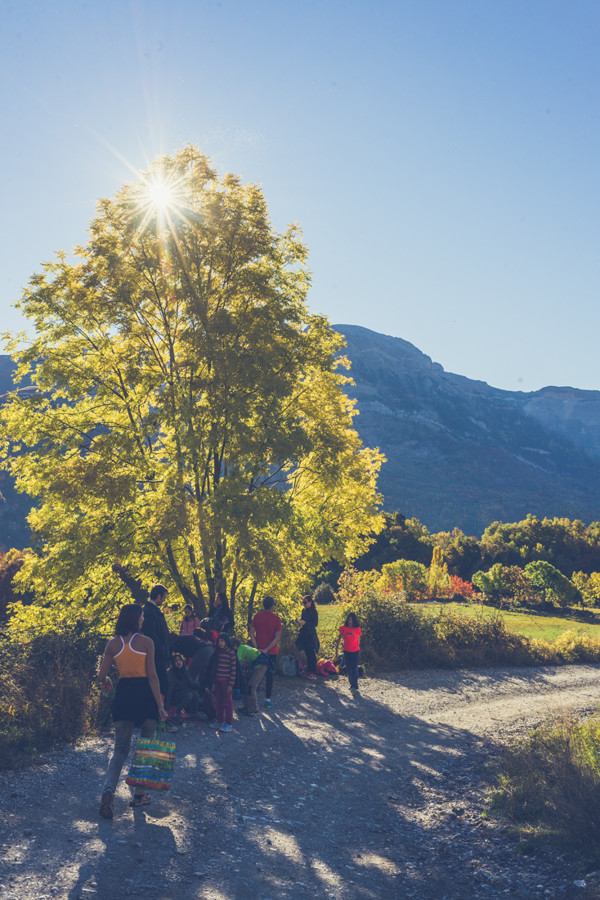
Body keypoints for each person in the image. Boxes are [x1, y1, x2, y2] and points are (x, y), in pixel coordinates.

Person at [97, 603, 167, 819]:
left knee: (120, 750)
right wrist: (160, 706)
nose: (144, 619)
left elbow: (102, 676)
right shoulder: (146, 642)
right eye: (142, 616)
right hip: (145, 695)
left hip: (124, 694)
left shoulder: (112, 644)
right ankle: (140, 796)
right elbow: (153, 676)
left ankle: (109, 790)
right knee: (146, 747)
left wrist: (107, 680)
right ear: (137, 618)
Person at [250, 596, 282, 709]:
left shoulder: (257, 616)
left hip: (258, 651)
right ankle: (267, 699)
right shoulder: (276, 619)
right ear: (272, 605)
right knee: (269, 675)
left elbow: (251, 633)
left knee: (255, 672)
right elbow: (277, 637)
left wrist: (257, 647)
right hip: (271, 652)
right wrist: (267, 649)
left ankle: (251, 696)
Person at [210, 633, 237, 732]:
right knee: (218, 701)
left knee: (228, 702)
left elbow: (233, 670)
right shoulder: (217, 652)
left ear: (226, 641)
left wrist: (231, 684)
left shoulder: (231, 653)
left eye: (223, 641)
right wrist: (213, 682)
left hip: (226, 681)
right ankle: (219, 720)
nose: (221, 643)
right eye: (219, 641)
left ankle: (228, 723)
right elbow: (214, 668)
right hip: (217, 680)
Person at [166, 653, 201, 722]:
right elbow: (169, 691)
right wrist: (166, 708)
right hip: (174, 697)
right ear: (173, 663)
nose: (178, 662)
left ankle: (194, 713)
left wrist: (202, 686)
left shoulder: (184, 671)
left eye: (180, 660)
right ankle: (175, 714)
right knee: (189, 695)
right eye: (176, 661)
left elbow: (191, 683)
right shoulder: (172, 674)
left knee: (195, 693)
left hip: (182, 693)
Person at [335, 612, 362, 696]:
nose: (350, 621)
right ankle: (351, 683)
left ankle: (355, 685)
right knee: (348, 668)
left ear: (354, 620)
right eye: (349, 619)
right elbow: (339, 638)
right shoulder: (344, 628)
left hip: (355, 651)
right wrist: (336, 649)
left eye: (352, 620)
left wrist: (358, 648)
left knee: (354, 668)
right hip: (347, 651)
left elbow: (358, 639)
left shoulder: (357, 628)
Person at [295, 594, 319, 679]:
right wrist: (299, 622)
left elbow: (315, 623)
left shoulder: (314, 612)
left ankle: (313, 671)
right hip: (304, 633)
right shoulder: (303, 611)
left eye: (305, 602)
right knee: (307, 652)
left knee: (311, 653)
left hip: (310, 634)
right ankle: (309, 671)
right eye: (303, 602)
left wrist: (306, 623)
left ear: (310, 602)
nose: (304, 604)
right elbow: (303, 620)